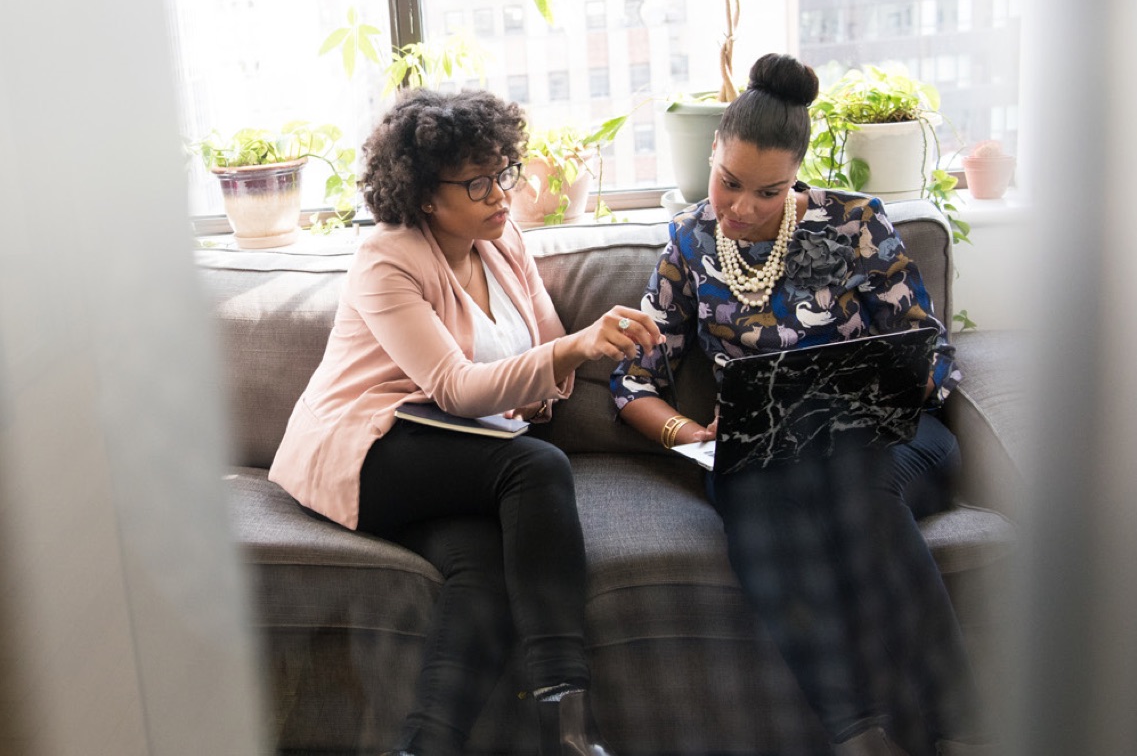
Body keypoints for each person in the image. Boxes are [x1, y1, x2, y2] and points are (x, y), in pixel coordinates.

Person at [610, 54, 989, 756]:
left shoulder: (854, 224)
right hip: (764, 458)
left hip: (894, 441)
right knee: (747, 500)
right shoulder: (689, 241)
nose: (743, 208)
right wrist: (692, 432)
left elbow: (930, 359)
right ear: (713, 155)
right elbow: (634, 380)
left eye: (767, 191)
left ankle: (956, 730)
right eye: (729, 183)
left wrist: (862, 390)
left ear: (796, 177)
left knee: (857, 485)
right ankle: (856, 732)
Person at [269, 88, 661, 756]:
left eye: (502, 172)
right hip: (369, 442)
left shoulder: (501, 240)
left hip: (454, 455)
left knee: (481, 570)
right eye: (477, 183)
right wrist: (565, 354)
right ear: (425, 195)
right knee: (535, 466)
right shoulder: (387, 259)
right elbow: (456, 387)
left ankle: (425, 745)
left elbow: (546, 354)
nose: (501, 195)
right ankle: (568, 721)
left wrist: (555, 363)